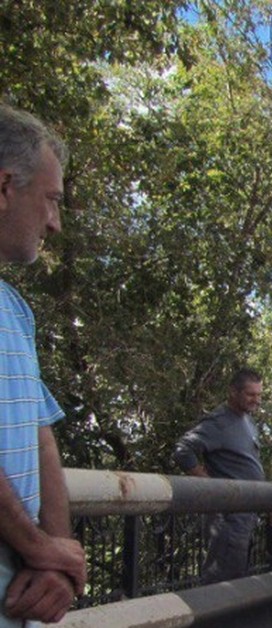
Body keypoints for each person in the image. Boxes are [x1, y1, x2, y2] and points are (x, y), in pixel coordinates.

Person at [0, 105, 87, 626]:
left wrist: (58, 552)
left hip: (24, 594)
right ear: (6, 186)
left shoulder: (15, 309)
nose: (54, 223)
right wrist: (39, 546)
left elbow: (40, 435)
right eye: (51, 201)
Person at [173, 368, 267, 584]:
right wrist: (207, 483)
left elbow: (247, 465)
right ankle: (214, 617)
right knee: (223, 581)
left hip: (249, 513)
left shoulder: (248, 422)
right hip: (228, 517)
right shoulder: (219, 422)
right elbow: (183, 450)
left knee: (239, 579)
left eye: (259, 395)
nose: (257, 400)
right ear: (233, 392)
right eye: (251, 394)